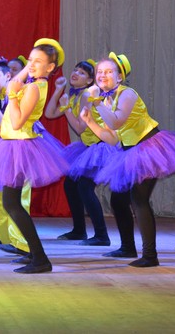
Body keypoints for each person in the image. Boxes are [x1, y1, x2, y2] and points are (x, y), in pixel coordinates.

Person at [82, 53, 175, 267]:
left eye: (108, 72)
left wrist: (96, 103)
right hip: (129, 152)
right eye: (99, 72)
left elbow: (116, 122)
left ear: (119, 77)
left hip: (149, 147)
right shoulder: (107, 100)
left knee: (139, 199)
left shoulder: (127, 94)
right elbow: (112, 137)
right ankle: (127, 247)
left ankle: (150, 255)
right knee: (118, 200)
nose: (102, 75)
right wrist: (90, 123)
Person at [0, 39, 69, 274]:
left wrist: (14, 95)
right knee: (12, 203)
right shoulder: (33, 82)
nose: (32, 64)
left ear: (50, 67)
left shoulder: (35, 88)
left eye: (39, 61)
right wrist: (27, 68)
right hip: (13, 145)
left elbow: (16, 122)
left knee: (12, 203)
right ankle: (36, 255)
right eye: (30, 60)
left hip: (19, 145)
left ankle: (40, 258)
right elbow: (16, 82)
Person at [46, 59, 111, 246]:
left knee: (84, 187)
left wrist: (66, 108)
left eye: (82, 73)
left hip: (100, 147)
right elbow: (49, 114)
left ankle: (102, 235)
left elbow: (81, 128)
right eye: (75, 70)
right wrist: (58, 90)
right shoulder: (74, 95)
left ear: (90, 80)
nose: (76, 73)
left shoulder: (87, 95)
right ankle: (79, 230)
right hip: (87, 147)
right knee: (70, 184)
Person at [0, 53, 32, 256]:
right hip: (11, 146)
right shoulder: (2, 94)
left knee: (19, 196)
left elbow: (10, 124)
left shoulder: (15, 93)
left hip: (24, 148)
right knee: (2, 193)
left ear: (8, 76)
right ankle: (5, 236)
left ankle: (22, 243)